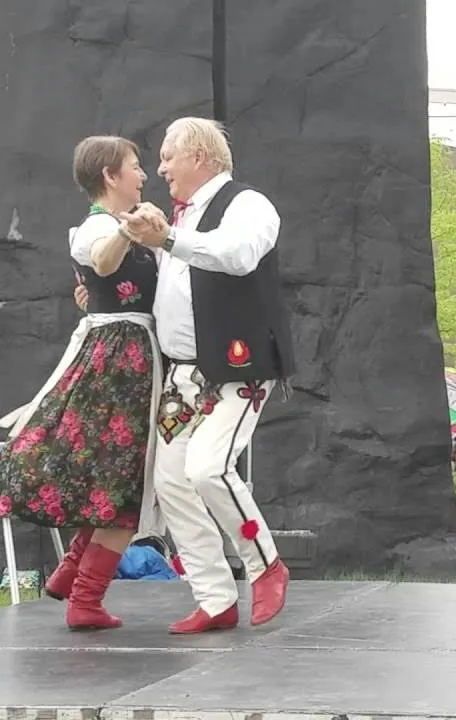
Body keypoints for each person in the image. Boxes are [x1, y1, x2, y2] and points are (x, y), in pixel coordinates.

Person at [118, 117, 296, 635]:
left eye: (169, 156)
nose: (161, 167)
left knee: (208, 469)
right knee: (171, 480)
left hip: (236, 371)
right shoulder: (180, 217)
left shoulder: (248, 205)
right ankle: (216, 597)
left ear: (199, 156)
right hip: (184, 379)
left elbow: (238, 257)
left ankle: (265, 563)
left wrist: (169, 239)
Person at [0, 135, 162, 630]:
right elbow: (103, 262)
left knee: (116, 477)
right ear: (110, 176)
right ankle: (84, 599)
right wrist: (130, 231)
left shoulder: (120, 229)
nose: (143, 174)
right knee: (122, 480)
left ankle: (70, 577)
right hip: (118, 365)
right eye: (134, 166)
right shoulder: (96, 229)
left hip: (131, 358)